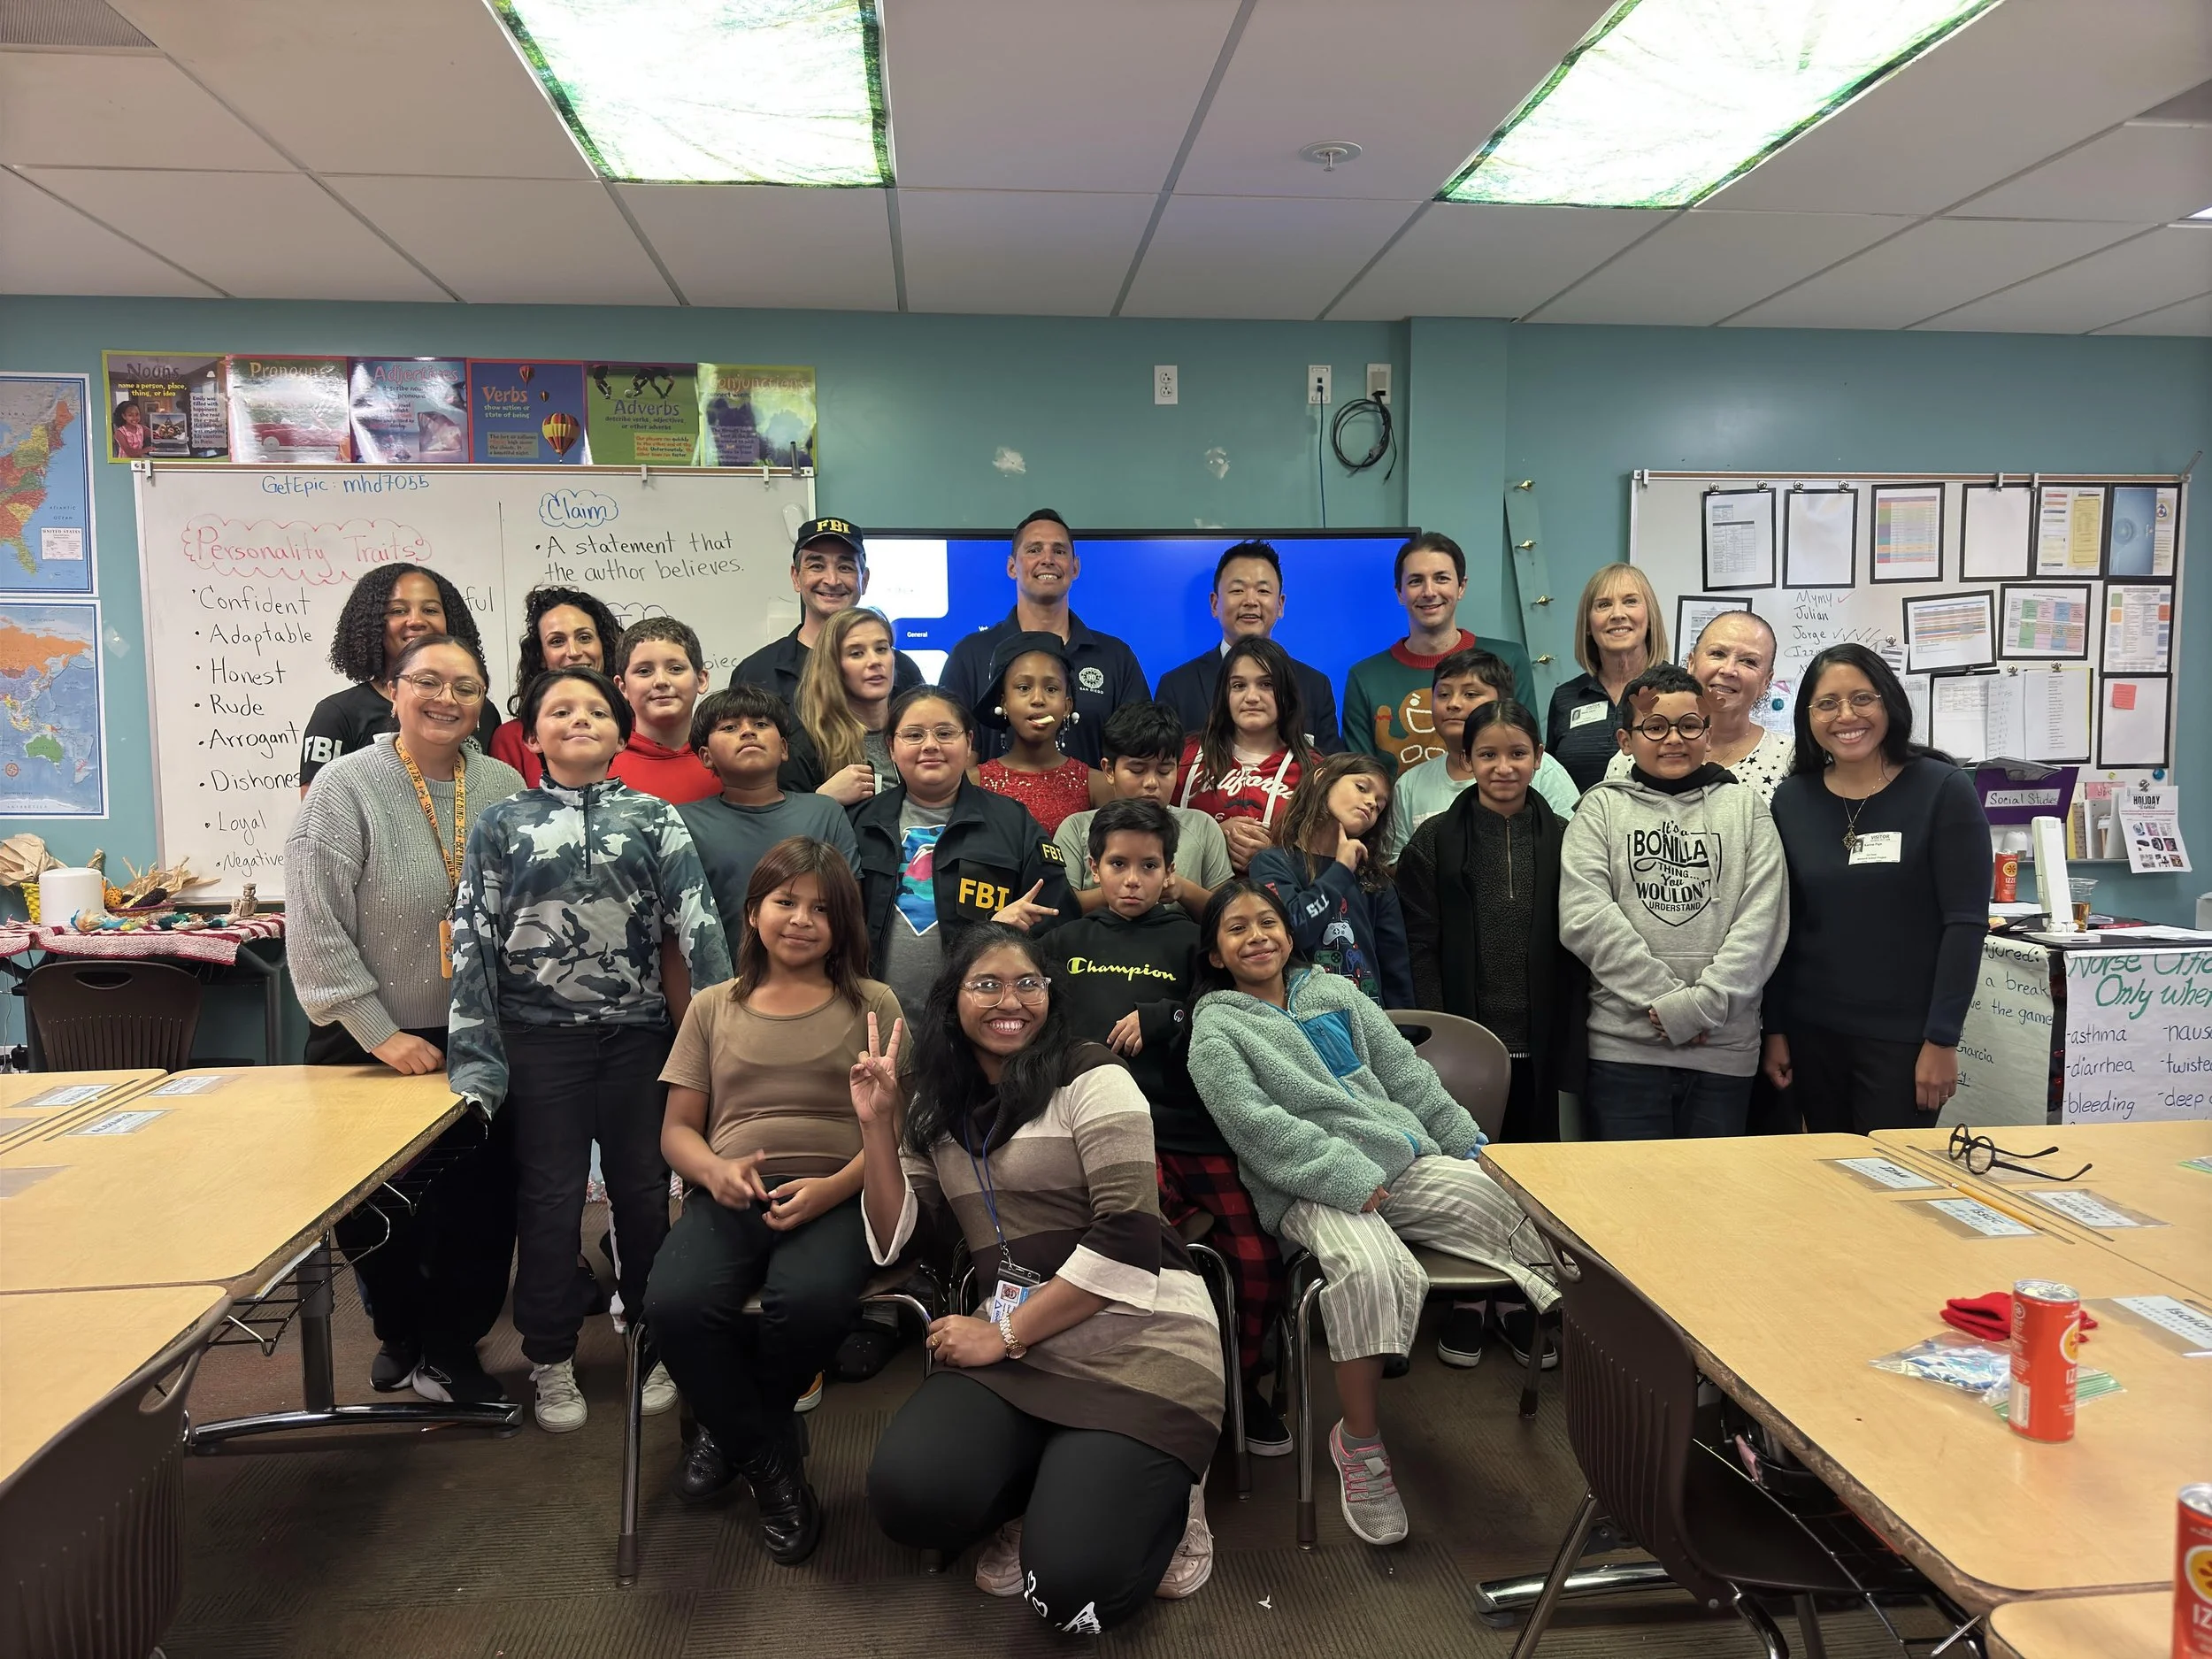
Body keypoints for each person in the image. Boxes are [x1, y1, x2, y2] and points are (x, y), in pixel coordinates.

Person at [860, 925, 1223, 1629]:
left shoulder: (1092, 1076)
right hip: (1025, 1339)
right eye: (986, 983)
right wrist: (878, 1127)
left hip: (1138, 1331)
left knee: (1071, 1592)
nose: (1011, 1000)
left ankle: (1179, 1494)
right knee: (910, 1499)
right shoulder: (938, 1106)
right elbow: (900, 1239)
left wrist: (1004, 1332)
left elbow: (1126, 1235)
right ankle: (1056, 1481)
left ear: (1051, 995)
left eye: (1028, 982)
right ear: (952, 999)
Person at [1186, 883, 1558, 1548]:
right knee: (1370, 1268)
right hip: (1309, 1184)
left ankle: (1579, 1324)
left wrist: (1471, 1146)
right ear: (1215, 953)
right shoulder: (1216, 1028)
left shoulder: (1334, 991)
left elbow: (1408, 1077)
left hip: (1398, 1156)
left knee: (1520, 1206)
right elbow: (1256, 1126)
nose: (1257, 936)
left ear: (1289, 934)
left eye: (1267, 922)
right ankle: (1359, 1443)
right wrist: (1347, 1178)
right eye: (1236, 929)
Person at [448, 664, 733, 1433]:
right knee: (548, 1202)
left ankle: (652, 1340)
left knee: (645, 1194)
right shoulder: (501, 823)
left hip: (640, 1039)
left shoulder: (654, 817)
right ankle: (549, 1357)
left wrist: (727, 1037)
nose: (580, 720)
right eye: (559, 710)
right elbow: (473, 940)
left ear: (619, 729)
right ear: (530, 734)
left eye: (597, 711)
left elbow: (697, 925)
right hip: (540, 1046)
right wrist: (476, 1058)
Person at [642, 837, 902, 1564]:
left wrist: (831, 1187)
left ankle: (728, 1431)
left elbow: (893, 1134)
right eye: (785, 901)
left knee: (813, 1302)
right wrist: (715, 1170)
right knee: (673, 1304)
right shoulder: (712, 1006)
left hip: (837, 1191)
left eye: (822, 908)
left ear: (844, 923)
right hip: (732, 1192)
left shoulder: (872, 1003)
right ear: (753, 912)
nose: (802, 919)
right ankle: (770, 1457)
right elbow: (677, 1132)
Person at [286, 634, 526, 1403]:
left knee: (480, 1206)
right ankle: (402, 1330)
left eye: (466, 685)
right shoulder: (345, 785)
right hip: (368, 1036)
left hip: (474, 1035)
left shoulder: (499, 781)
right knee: (377, 1210)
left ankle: (450, 1348)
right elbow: (314, 920)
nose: (447, 698)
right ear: (392, 689)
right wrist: (378, 1030)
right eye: (429, 681)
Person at [1040, 798, 1289, 1455]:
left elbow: (1235, 997)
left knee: (1259, 1263)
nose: (1131, 879)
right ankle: (1139, 1388)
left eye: (1148, 866)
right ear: (1093, 866)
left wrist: (1168, 1016)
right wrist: (1004, 924)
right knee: (1135, 1262)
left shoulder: (1189, 938)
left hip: (1191, 1129)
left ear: (1169, 871)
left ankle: (1241, 1387)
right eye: (1117, 864)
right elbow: (1000, 993)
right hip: (1103, 1138)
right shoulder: (1066, 940)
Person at [1397, 696, 1580, 1368]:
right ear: (1467, 760)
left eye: (1518, 753)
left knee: (1535, 1174)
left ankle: (1521, 1297)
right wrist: (1441, 1037)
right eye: (1488, 755)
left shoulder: (1566, 834)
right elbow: (1419, 943)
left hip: (1540, 1033)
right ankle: (1468, 1303)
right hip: (1466, 1050)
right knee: (1469, 1173)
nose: (1504, 767)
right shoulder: (1434, 840)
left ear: (1538, 756)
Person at [1763, 644, 1991, 1133]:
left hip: (1905, 1041)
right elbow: (1783, 925)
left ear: (1888, 702)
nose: (1846, 715)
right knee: (1827, 1180)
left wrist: (1942, 1040)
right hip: (1812, 1034)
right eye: (1827, 703)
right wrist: (1777, 1029)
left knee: (1893, 1188)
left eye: (1862, 698)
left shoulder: (1943, 789)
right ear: (1808, 717)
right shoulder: (1793, 799)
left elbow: (1965, 924)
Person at [1559, 664, 1788, 1141]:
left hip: (1724, 1050)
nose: (1673, 740)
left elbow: (1762, 923)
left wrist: (1701, 1008)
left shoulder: (1747, 810)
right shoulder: (1599, 809)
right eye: (1654, 727)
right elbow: (1586, 918)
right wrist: (1668, 1002)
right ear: (1626, 740)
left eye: (1689, 726)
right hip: (1624, 1051)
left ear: (1707, 732)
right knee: (1624, 1205)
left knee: (1714, 1205)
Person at [849, 688, 1069, 1019]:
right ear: (891, 748)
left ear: (968, 743)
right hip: (870, 1023)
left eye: (945, 733)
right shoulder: (859, 822)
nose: (930, 745)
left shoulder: (1013, 824)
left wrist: (1003, 938)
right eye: (913, 735)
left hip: (980, 1027)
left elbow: (1058, 924)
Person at [940, 510, 1148, 767]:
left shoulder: (1116, 657)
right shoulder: (969, 655)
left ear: (1075, 567)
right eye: (1034, 550)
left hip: (1099, 807)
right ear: (1012, 567)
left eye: (1059, 551)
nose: (1048, 559)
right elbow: (952, 757)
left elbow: (1139, 759)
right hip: (989, 808)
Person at [1344, 532, 1535, 776]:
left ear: (1461, 586)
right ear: (1399, 593)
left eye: (1441, 578)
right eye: (1415, 581)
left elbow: (1527, 752)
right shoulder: (1366, 677)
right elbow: (1360, 777)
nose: (1429, 591)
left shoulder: (1508, 658)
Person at [679, 684, 858, 942]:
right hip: (722, 979)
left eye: (761, 724)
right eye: (730, 727)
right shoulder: (682, 823)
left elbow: (849, 909)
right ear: (706, 757)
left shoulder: (825, 812)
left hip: (815, 975)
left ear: (784, 748)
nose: (748, 732)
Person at [300, 563, 498, 788]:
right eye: (398, 611)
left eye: (431, 610)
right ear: (371, 624)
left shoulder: (478, 708)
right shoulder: (337, 714)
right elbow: (319, 814)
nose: (416, 621)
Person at [1248, 753, 1414, 1010]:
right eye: (1362, 788)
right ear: (1321, 778)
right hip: (1302, 1023)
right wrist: (1341, 870)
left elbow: (1396, 970)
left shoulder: (1376, 881)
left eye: (1380, 805)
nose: (1371, 803)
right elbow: (1294, 931)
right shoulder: (1271, 864)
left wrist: (1407, 1035)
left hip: (1368, 1023)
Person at [1381, 647, 1580, 860]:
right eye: (1443, 694)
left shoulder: (1540, 770)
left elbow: (1577, 844)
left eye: (1470, 694)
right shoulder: (1410, 785)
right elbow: (1397, 863)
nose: (1454, 704)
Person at [1156, 541, 1343, 753]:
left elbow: (1332, 770)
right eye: (1237, 590)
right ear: (1214, 604)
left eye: (1263, 590)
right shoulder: (1177, 686)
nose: (1251, 601)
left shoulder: (1315, 685)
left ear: (1280, 605)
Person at [1055, 701, 1232, 918]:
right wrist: (1142, 887)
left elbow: (1228, 913)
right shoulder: (1076, 828)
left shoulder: (1202, 826)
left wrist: (1183, 890)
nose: (1151, 783)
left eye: (1164, 771)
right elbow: (1060, 907)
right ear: (1109, 770)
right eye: (1137, 770)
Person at [727, 517, 926, 708]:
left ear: (864, 580)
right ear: (796, 577)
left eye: (845, 567)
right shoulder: (756, 673)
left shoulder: (902, 671)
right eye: (817, 566)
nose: (832, 580)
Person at [1604, 610, 1793, 801]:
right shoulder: (1629, 758)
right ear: (1691, 663)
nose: (1728, 670)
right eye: (1718, 654)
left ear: (1766, 682)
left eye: (1749, 661)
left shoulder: (1791, 759)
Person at [1174, 637, 1317, 876]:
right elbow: (1150, 826)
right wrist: (1213, 835)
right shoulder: (1185, 756)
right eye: (1239, 685)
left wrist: (1275, 856)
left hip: (1277, 905)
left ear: (1286, 693)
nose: (1251, 697)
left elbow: (1327, 859)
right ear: (1224, 694)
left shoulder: (1313, 770)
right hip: (1188, 904)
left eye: (1266, 684)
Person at [1548, 562, 1668, 793]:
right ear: (1588, 625)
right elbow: (1552, 781)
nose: (1618, 614)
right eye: (1603, 605)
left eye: (1630, 601)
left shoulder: (1680, 690)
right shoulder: (1565, 698)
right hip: (1579, 827)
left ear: (1650, 616)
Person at [489, 585, 623, 787]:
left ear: (603, 645)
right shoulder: (512, 739)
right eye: (557, 641)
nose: (574, 651)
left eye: (584, 638)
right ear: (541, 656)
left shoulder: (634, 726)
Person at [973, 631, 1105, 835]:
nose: (1038, 699)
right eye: (1024, 687)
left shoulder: (1097, 786)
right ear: (1004, 702)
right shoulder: (974, 782)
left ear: (1067, 706)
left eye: (1051, 689)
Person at [792, 605, 905, 806]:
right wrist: (823, 800)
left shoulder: (918, 733)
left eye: (881, 649)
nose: (874, 661)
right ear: (833, 666)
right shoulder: (807, 746)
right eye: (856, 653)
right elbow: (782, 831)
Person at [607, 616, 718, 803]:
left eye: (675, 669)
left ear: (701, 679)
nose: (661, 681)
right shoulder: (601, 763)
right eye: (644, 671)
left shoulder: (728, 756)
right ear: (623, 687)